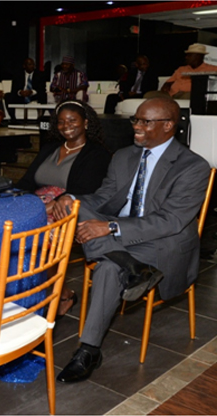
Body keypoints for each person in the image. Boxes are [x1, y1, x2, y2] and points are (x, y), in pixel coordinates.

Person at [50, 97, 210, 383]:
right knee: (78, 208)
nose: (136, 126)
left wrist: (110, 227)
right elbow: (103, 198)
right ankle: (131, 269)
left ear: (168, 125)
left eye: (145, 122)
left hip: (161, 241)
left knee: (107, 266)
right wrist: (70, 198)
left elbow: (170, 221)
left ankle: (89, 349)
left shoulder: (192, 166)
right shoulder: (124, 156)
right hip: (120, 238)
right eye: (135, 120)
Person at [16, 100, 111, 315]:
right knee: (8, 227)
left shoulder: (97, 153)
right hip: (37, 203)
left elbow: (86, 189)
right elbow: (27, 181)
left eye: (72, 120)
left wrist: (52, 204)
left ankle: (55, 295)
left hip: (71, 207)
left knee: (40, 236)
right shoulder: (50, 148)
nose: (66, 126)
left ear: (85, 122)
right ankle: (25, 291)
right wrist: (15, 198)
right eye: (60, 122)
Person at [4, 58, 48, 123]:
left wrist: (31, 92)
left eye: (33, 64)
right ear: (24, 66)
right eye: (30, 64)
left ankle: (40, 118)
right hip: (21, 96)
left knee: (43, 95)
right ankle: (13, 119)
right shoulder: (17, 74)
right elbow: (14, 89)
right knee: (8, 96)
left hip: (33, 96)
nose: (32, 66)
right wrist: (20, 92)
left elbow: (42, 89)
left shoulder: (40, 74)